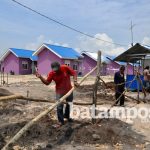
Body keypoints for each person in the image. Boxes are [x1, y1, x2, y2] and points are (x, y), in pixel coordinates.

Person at [36, 62, 79, 127]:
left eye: (57, 69)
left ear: (60, 67)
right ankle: (60, 121)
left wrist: (75, 81)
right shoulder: (52, 74)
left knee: (69, 104)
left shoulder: (65, 68)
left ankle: (67, 117)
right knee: (59, 106)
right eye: (55, 70)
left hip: (69, 90)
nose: (56, 71)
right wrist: (40, 77)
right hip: (59, 92)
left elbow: (74, 73)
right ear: (52, 69)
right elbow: (47, 83)